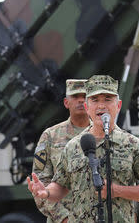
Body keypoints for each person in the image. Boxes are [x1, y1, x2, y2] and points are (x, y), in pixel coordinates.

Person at [28, 74, 139, 222]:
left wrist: (117, 191)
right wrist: (46, 192)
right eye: (95, 100)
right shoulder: (72, 146)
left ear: (118, 106)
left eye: (108, 99)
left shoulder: (134, 145)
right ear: (87, 107)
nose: (101, 105)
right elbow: (60, 186)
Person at [32, 79, 90, 223]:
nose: (81, 101)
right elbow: (41, 184)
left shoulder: (104, 134)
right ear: (66, 103)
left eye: (85, 97)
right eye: (75, 97)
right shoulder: (50, 136)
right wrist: (64, 218)